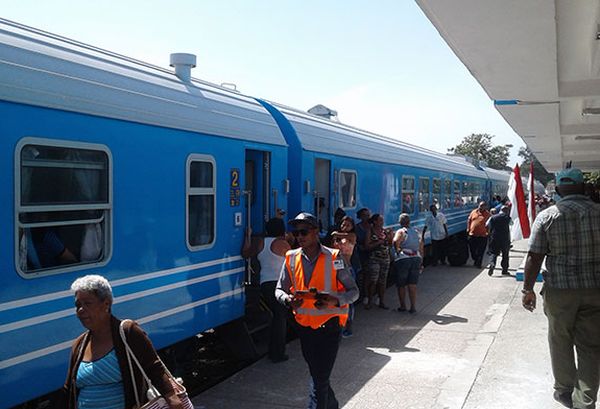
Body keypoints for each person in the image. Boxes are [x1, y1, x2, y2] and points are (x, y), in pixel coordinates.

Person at [522, 168, 600, 409]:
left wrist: (527, 290)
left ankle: (565, 390)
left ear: (556, 190)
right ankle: (585, 400)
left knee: (560, 339)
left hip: (560, 290)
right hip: (595, 288)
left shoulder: (547, 216)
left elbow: (534, 257)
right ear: (585, 188)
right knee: (591, 345)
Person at [61, 275, 184, 409]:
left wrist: (172, 398)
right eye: (77, 305)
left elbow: (154, 368)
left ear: (106, 304)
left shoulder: (128, 332)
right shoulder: (79, 345)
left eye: (87, 303)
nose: (80, 310)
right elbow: (69, 389)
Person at [275, 212, 358, 409]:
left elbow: (354, 292)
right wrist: (287, 299)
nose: (299, 237)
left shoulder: (335, 257)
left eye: (303, 232)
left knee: (319, 378)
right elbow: (279, 289)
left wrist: (334, 300)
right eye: (296, 233)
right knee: (318, 374)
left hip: (329, 327)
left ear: (315, 232)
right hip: (304, 328)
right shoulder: (291, 258)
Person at [242, 218, 291, 363]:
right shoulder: (283, 244)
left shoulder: (260, 243)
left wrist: (247, 236)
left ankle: (273, 350)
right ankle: (277, 353)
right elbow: (294, 263)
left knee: (276, 316)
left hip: (265, 284)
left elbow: (245, 254)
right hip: (279, 284)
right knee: (280, 318)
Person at [332, 215, 360, 337]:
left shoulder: (351, 236)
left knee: (349, 299)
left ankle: (348, 327)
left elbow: (341, 235)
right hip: (336, 269)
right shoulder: (337, 238)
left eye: (348, 225)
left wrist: (335, 234)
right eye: (343, 224)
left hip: (347, 269)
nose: (344, 227)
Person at [392, 213, 424, 313]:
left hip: (404, 259)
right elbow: (421, 247)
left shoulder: (401, 231)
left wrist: (397, 251)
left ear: (400, 222)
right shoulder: (416, 231)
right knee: (412, 284)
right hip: (416, 258)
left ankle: (403, 306)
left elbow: (395, 241)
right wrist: (421, 261)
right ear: (409, 222)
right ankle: (413, 307)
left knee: (401, 284)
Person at [364, 213, 393, 310]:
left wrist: (390, 237)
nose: (382, 222)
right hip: (374, 259)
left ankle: (382, 301)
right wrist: (379, 242)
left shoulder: (384, 231)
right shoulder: (370, 231)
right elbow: (367, 246)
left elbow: (389, 244)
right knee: (373, 280)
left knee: (383, 281)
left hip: (385, 258)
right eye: (380, 220)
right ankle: (370, 301)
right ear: (375, 221)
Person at [486, 205, 512, 276]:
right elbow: (511, 225)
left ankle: (492, 264)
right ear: (506, 211)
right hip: (505, 238)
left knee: (494, 253)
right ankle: (504, 270)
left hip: (494, 237)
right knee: (505, 254)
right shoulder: (508, 218)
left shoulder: (493, 217)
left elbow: (487, 224)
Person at [467, 201, 491, 268]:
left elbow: (490, 224)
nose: (481, 207)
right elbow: (469, 220)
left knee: (481, 251)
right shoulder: (473, 212)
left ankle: (478, 264)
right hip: (472, 234)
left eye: (483, 206)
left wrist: (488, 232)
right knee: (472, 250)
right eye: (480, 205)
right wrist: (468, 228)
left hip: (482, 236)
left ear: (485, 207)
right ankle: (475, 259)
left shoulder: (488, 214)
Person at [355, 208, 372, 301]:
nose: (367, 217)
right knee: (361, 275)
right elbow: (355, 240)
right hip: (360, 254)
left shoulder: (371, 227)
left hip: (371, 254)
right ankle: (362, 294)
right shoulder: (357, 228)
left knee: (369, 276)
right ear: (360, 217)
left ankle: (367, 294)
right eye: (364, 215)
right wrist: (359, 246)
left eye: (368, 215)